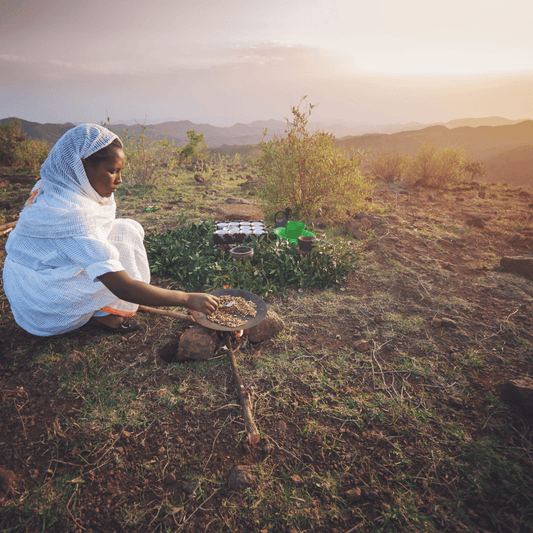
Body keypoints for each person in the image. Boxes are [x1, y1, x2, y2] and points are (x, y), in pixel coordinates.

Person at [2, 124, 218, 336]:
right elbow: (122, 287)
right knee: (116, 270)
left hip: (32, 274)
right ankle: (100, 316)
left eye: (121, 171)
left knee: (126, 230)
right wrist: (188, 299)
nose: (119, 181)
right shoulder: (71, 218)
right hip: (39, 300)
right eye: (112, 171)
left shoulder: (56, 184)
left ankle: (104, 306)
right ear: (81, 167)